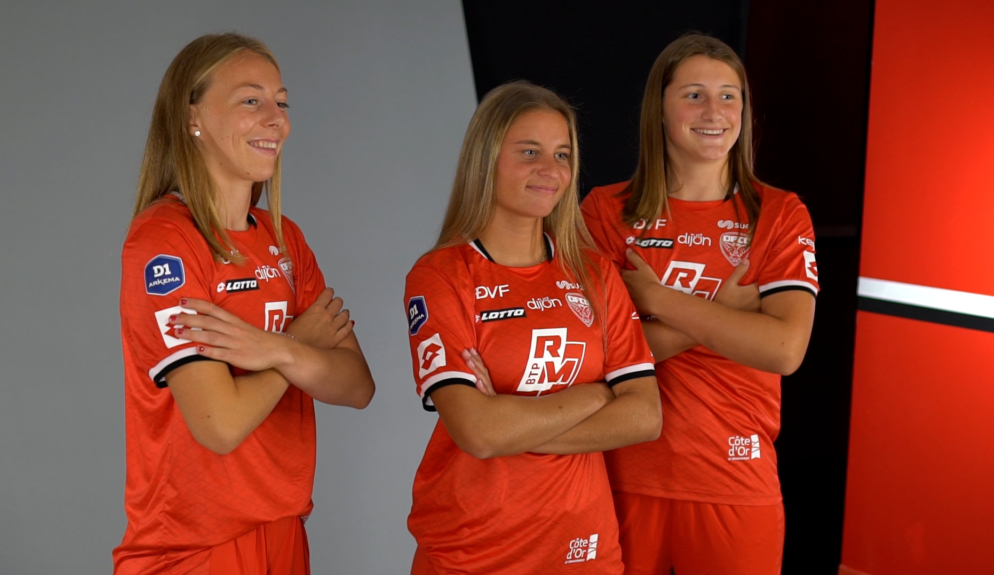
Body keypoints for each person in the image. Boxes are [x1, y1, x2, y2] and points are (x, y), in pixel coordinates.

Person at [114, 33, 375, 575]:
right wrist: (296, 347)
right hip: (193, 549)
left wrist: (273, 350)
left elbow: (356, 386)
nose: (276, 118)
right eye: (251, 100)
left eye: (281, 102)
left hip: (283, 532)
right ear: (193, 118)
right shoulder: (164, 242)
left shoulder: (284, 238)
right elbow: (220, 422)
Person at [580, 34, 819, 575]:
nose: (714, 111)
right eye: (693, 95)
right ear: (659, 110)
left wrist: (658, 301)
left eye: (729, 96)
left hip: (734, 479)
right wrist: (724, 313)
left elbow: (783, 348)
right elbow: (594, 358)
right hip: (621, 475)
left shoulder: (778, 214)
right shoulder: (605, 212)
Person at [402, 81, 662, 575]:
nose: (551, 170)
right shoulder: (440, 275)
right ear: (486, 159)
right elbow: (477, 434)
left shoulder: (594, 273)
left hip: (582, 545)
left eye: (562, 154)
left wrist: (512, 422)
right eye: (529, 152)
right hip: (474, 548)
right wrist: (594, 395)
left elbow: (644, 416)